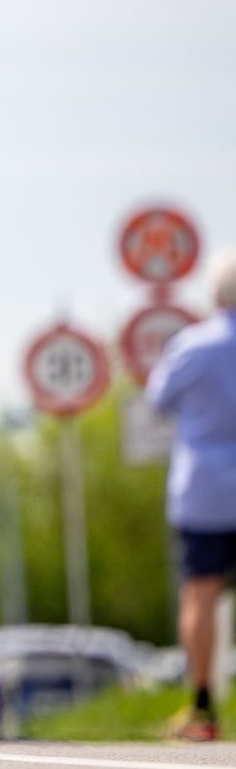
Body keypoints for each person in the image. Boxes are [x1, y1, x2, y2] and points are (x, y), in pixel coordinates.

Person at [147, 247, 236, 742]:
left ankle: (203, 708)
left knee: (200, 594)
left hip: (204, 490)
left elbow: (158, 398)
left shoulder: (193, 346)